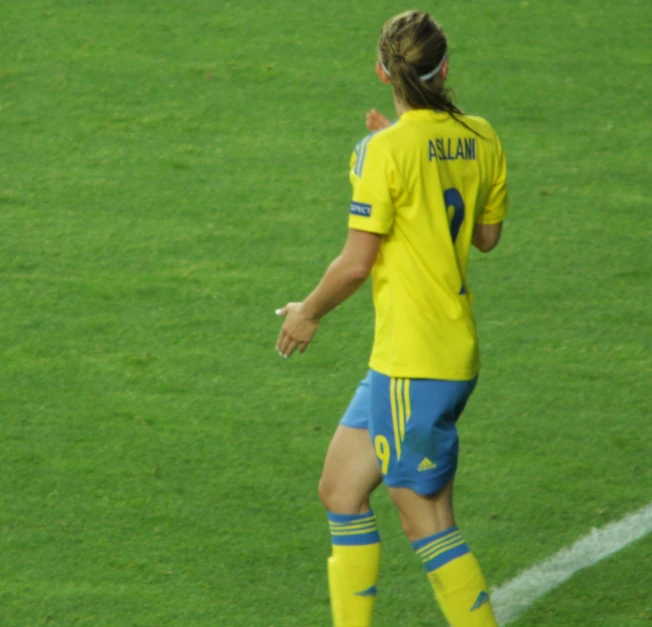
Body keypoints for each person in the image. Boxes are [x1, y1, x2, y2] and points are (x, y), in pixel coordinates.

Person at [275, 10, 508, 627]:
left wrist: (307, 314)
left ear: (383, 72)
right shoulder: (483, 136)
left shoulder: (380, 152)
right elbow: (487, 236)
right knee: (341, 490)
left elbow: (355, 265)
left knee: (427, 522)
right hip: (427, 356)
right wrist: (400, 149)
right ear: (445, 65)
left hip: (417, 363)